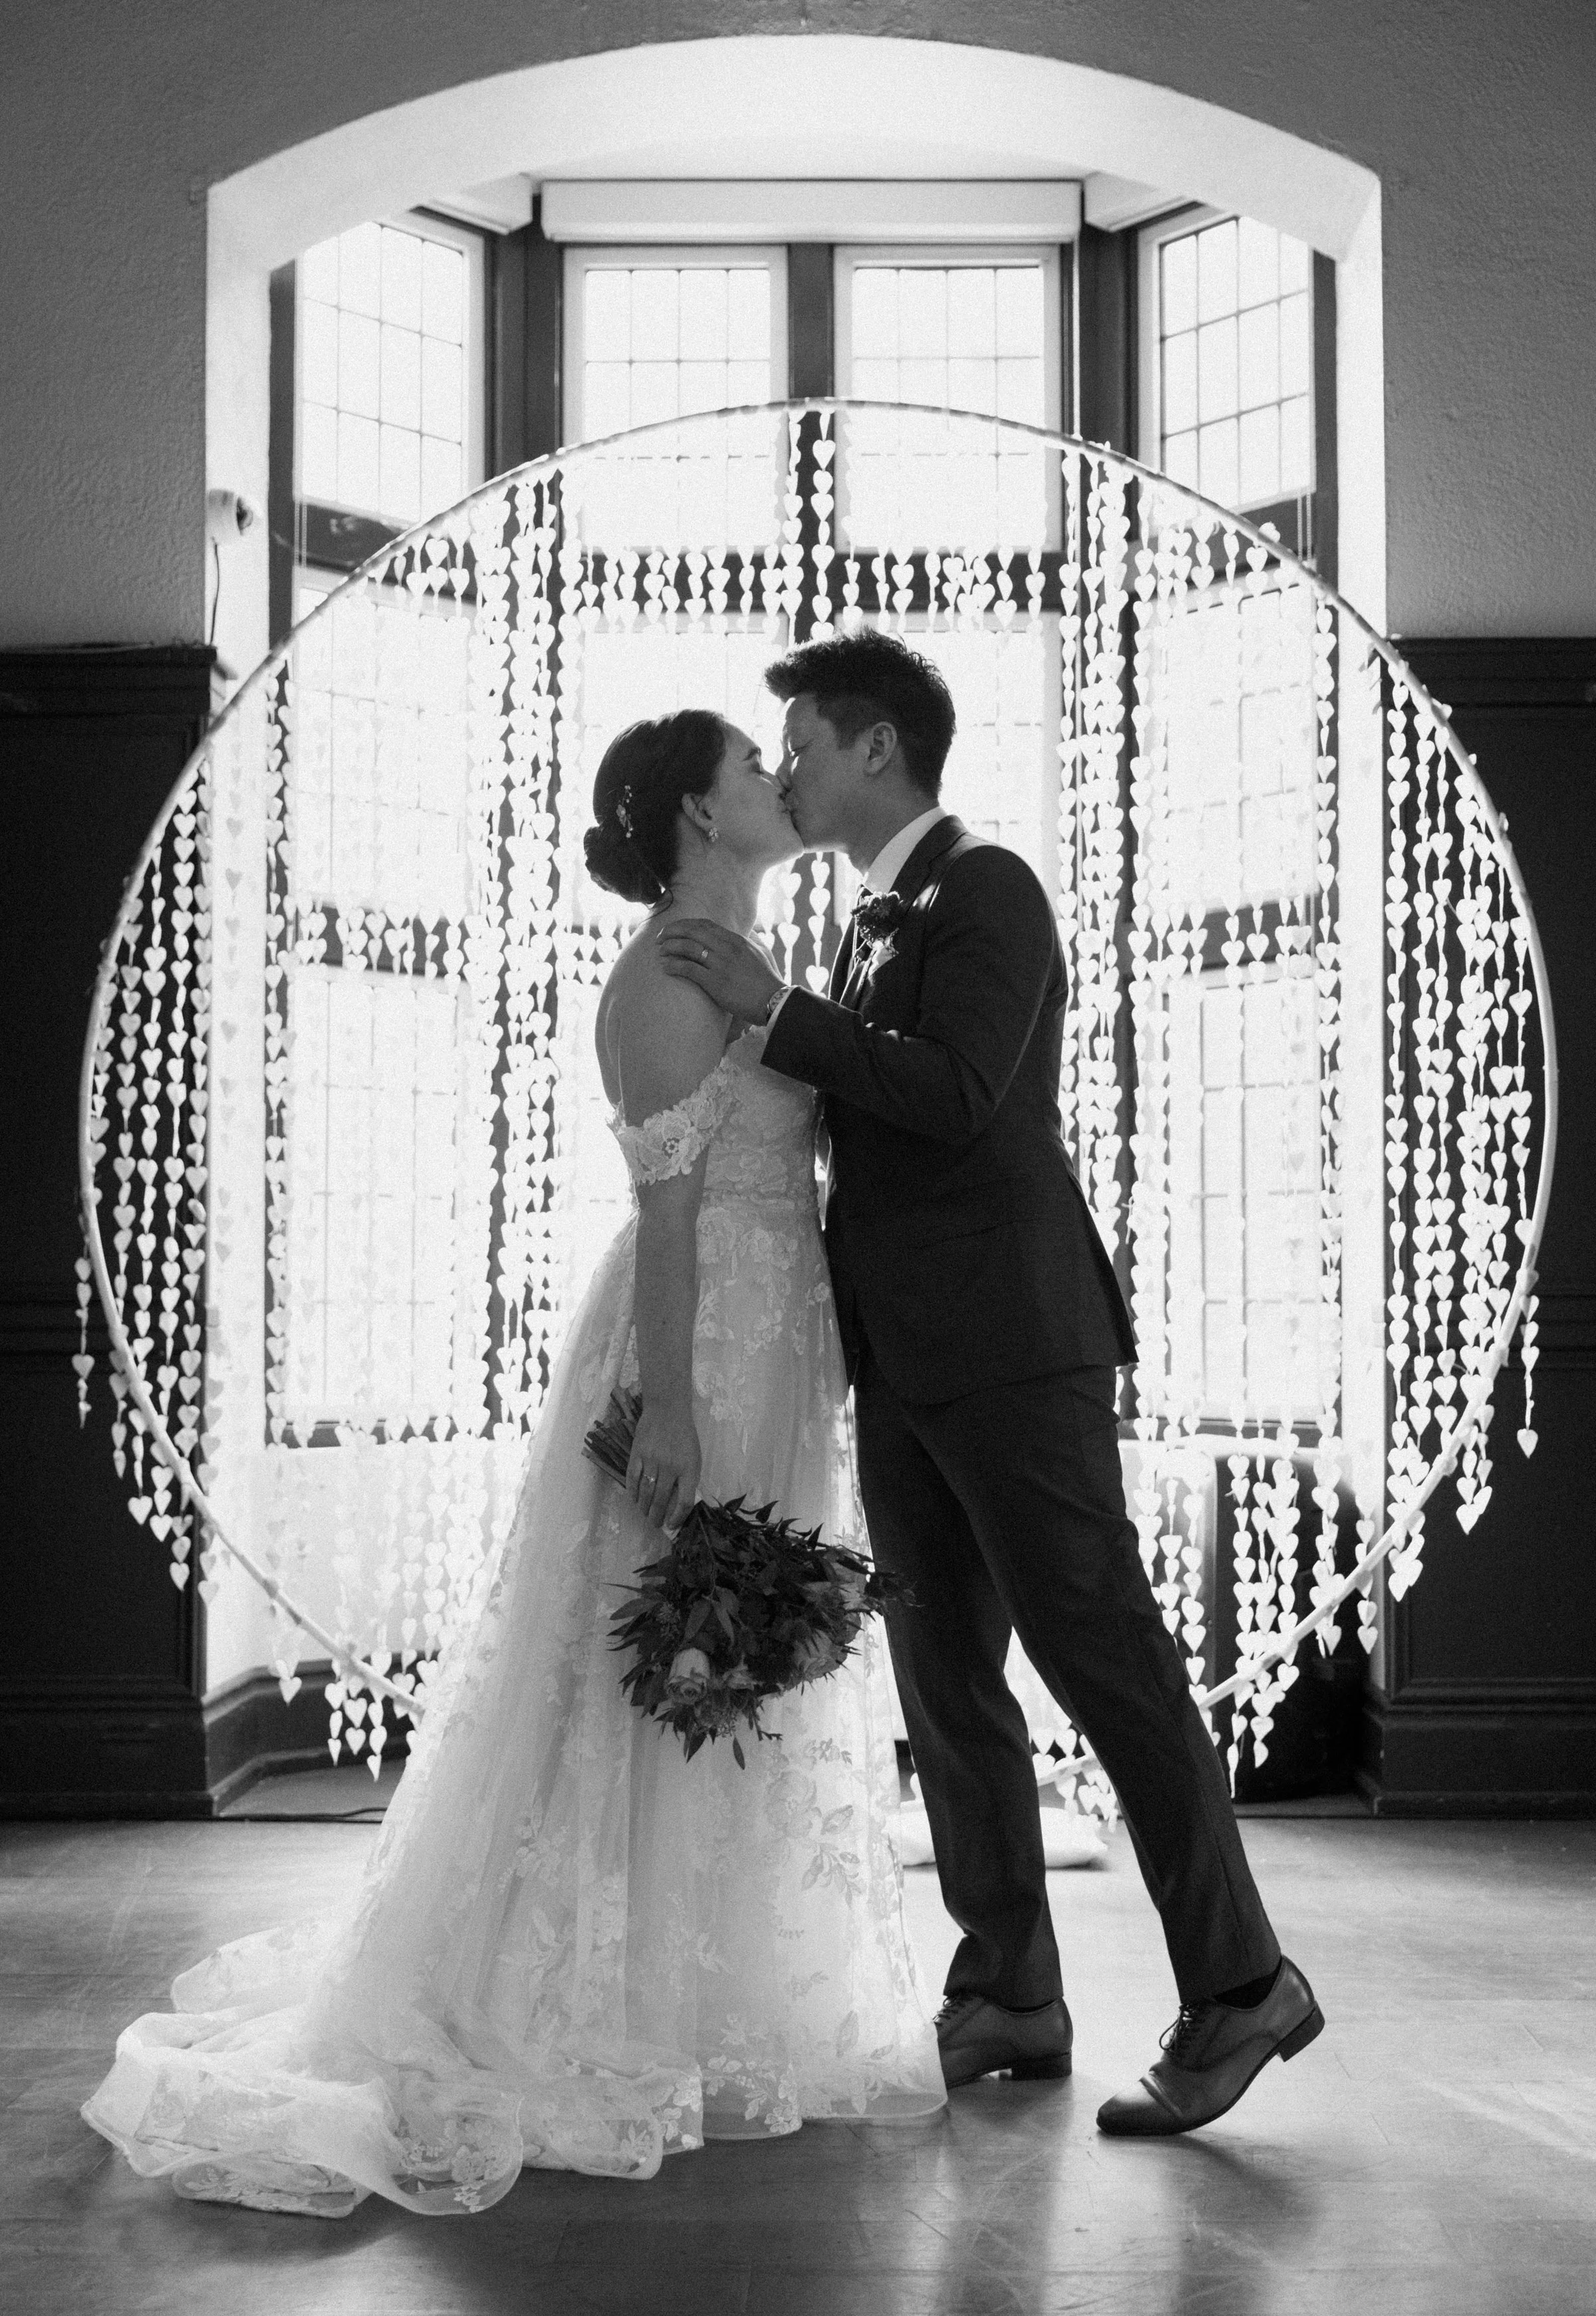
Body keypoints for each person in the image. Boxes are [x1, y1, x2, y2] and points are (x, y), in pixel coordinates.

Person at [82, 708, 944, 2218]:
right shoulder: (665, 978)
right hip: (699, 1343)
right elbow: (673, 1215)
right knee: (660, 1636)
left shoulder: (752, 967)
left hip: (780, 1341)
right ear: (694, 809)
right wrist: (667, 1406)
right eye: (754, 764)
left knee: (746, 1646)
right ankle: (608, 1996)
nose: (777, 778)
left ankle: (723, 1978)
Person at [658, 628, 1324, 2136]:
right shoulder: (866, 922)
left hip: (1018, 1350)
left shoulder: (991, 886)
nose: (792, 769)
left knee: (1105, 1661)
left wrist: (776, 1013)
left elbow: (960, 1098)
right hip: (903, 1361)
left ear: (875, 748)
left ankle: (1243, 1988)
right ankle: (1011, 1989)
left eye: (806, 745)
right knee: (945, 1680)